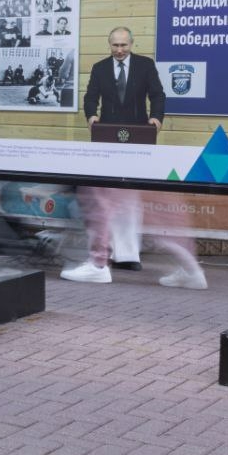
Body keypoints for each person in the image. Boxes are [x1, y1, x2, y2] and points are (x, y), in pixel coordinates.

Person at [63, 27, 167, 284]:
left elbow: (157, 95)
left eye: (124, 45)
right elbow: (90, 98)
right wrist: (91, 116)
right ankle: (103, 253)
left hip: (138, 137)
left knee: (129, 197)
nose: (120, 50)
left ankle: (128, 255)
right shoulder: (99, 68)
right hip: (106, 138)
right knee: (105, 196)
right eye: (115, 45)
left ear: (131, 43)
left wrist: (156, 118)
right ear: (109, 44)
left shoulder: (145, 65)